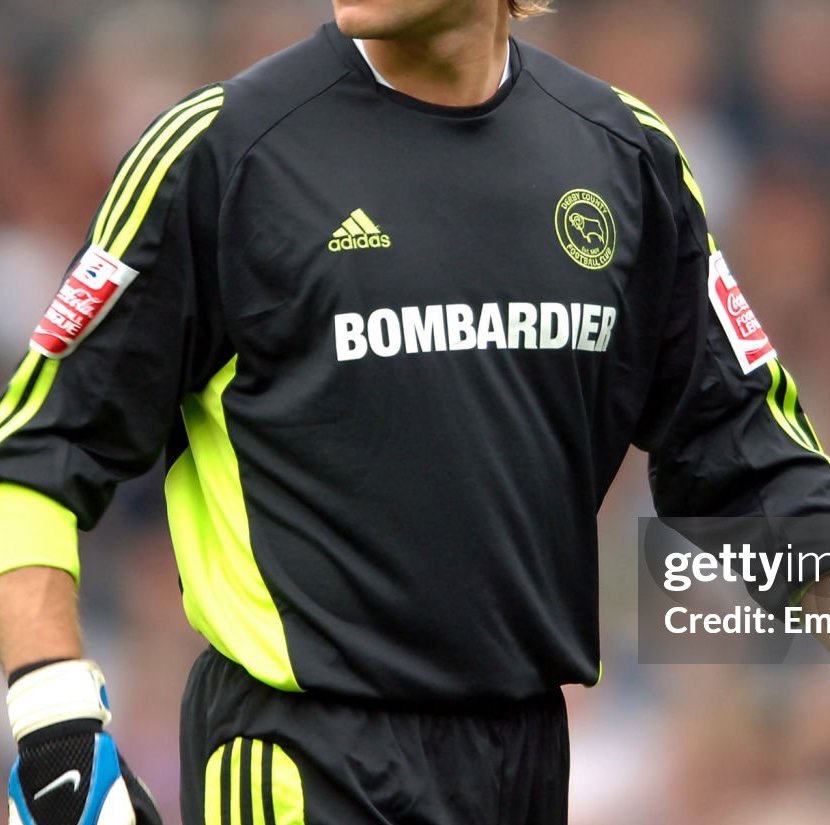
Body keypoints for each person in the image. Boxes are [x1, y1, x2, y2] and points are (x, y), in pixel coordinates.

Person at [1, 1, 829, 823]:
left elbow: (753, 469)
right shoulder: (222, 150)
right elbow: (35, 453)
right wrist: (55, 722)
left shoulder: (625, 155)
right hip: (300, 766)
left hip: (527, 763)